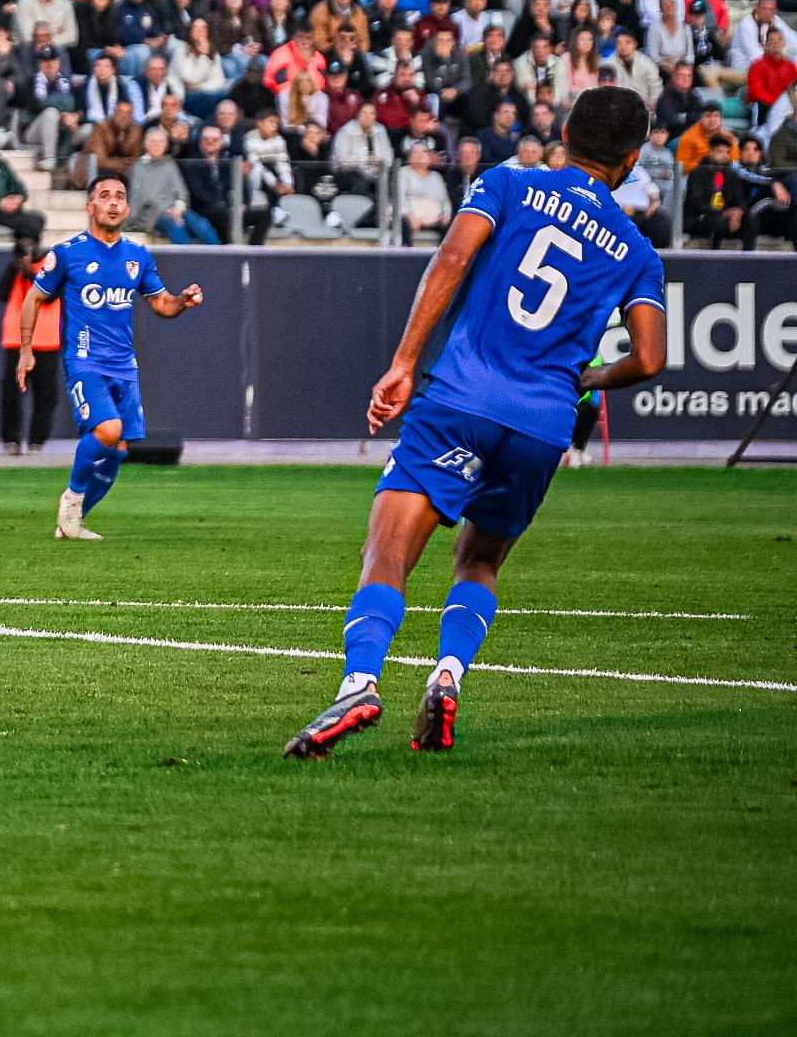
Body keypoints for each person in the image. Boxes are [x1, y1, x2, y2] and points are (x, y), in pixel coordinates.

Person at [286, 86, 668, 759]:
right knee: (481, 559)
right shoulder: (638, 251)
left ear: (567, 133)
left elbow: (453, 259)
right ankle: (447, 675)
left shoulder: (508, 184)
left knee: (388, 552)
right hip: (543, 424)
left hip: (462, 397)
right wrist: (588, 379)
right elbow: (650, 357)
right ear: (633, 160)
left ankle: (360, 683)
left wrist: (404, 362)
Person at [28, 169, 205, 542]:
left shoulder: (137, 255)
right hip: (84, 360)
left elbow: (161, 304)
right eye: (105, 195)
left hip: (124, 364)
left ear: (126, 207)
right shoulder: (67, 253)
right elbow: (34, 297)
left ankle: (72, 524)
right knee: (108, 430)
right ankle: (72, 498)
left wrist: (183, 301)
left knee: (119, 449)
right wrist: (25, 350)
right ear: (91, 205)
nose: (113, 202)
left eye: (120, 196)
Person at [0, 224, 60, 456]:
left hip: (46, 338)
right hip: (15, 338)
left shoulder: (51, 265)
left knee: (45, 394)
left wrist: (31, 273)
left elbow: (51, 296)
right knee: (11, 392)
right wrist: (14, 271)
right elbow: (0, 294)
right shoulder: (12, 267)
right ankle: (11, 441)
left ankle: (36, 442)